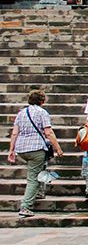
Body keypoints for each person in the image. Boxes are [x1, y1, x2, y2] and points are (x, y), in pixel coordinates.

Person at [7, 89, 64, 218]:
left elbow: (15, 132)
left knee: (38, 169)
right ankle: (26, 206)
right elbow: (48, 132)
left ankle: (38, 192)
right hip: (36, 147)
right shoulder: (42, 113)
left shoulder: (21, 113)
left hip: (22, 148)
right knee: (33, 178)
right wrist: (58, 148)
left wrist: (11, 149)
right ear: (42, 101)